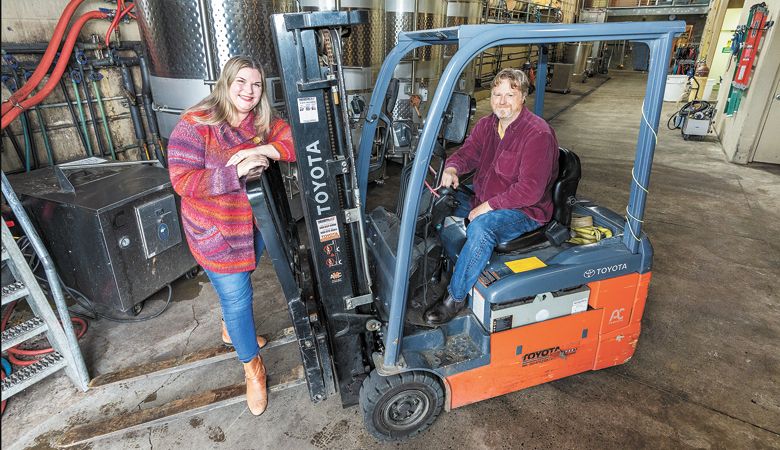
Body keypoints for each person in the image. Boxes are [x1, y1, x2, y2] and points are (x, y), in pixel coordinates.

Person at [167, 56, 295, 415]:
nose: (248, 91)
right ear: (225, 83)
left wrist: (261, 149)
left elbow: (299, 142)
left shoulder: (260, 121)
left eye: (256, 85)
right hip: (215, 231)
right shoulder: (196, 124)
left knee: (244, 279)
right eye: (241, 82)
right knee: (239, 298)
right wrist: (235, 170)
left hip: (250, 225)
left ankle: (228, 328)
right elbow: (182, 181)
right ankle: (253, 369)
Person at [424, 68, 559, 325]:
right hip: (486, 196)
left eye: (510, 94)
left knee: (482, 228)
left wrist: (488, 207)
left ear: (523, 97)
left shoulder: (537, 134)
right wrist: (452, 169)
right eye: (497, 94)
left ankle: (455, 297)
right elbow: (468, 153)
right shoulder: (488, 125)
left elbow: (530, 190)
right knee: (437, 200)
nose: (501, 101)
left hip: (525, 210)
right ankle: (437, 266)